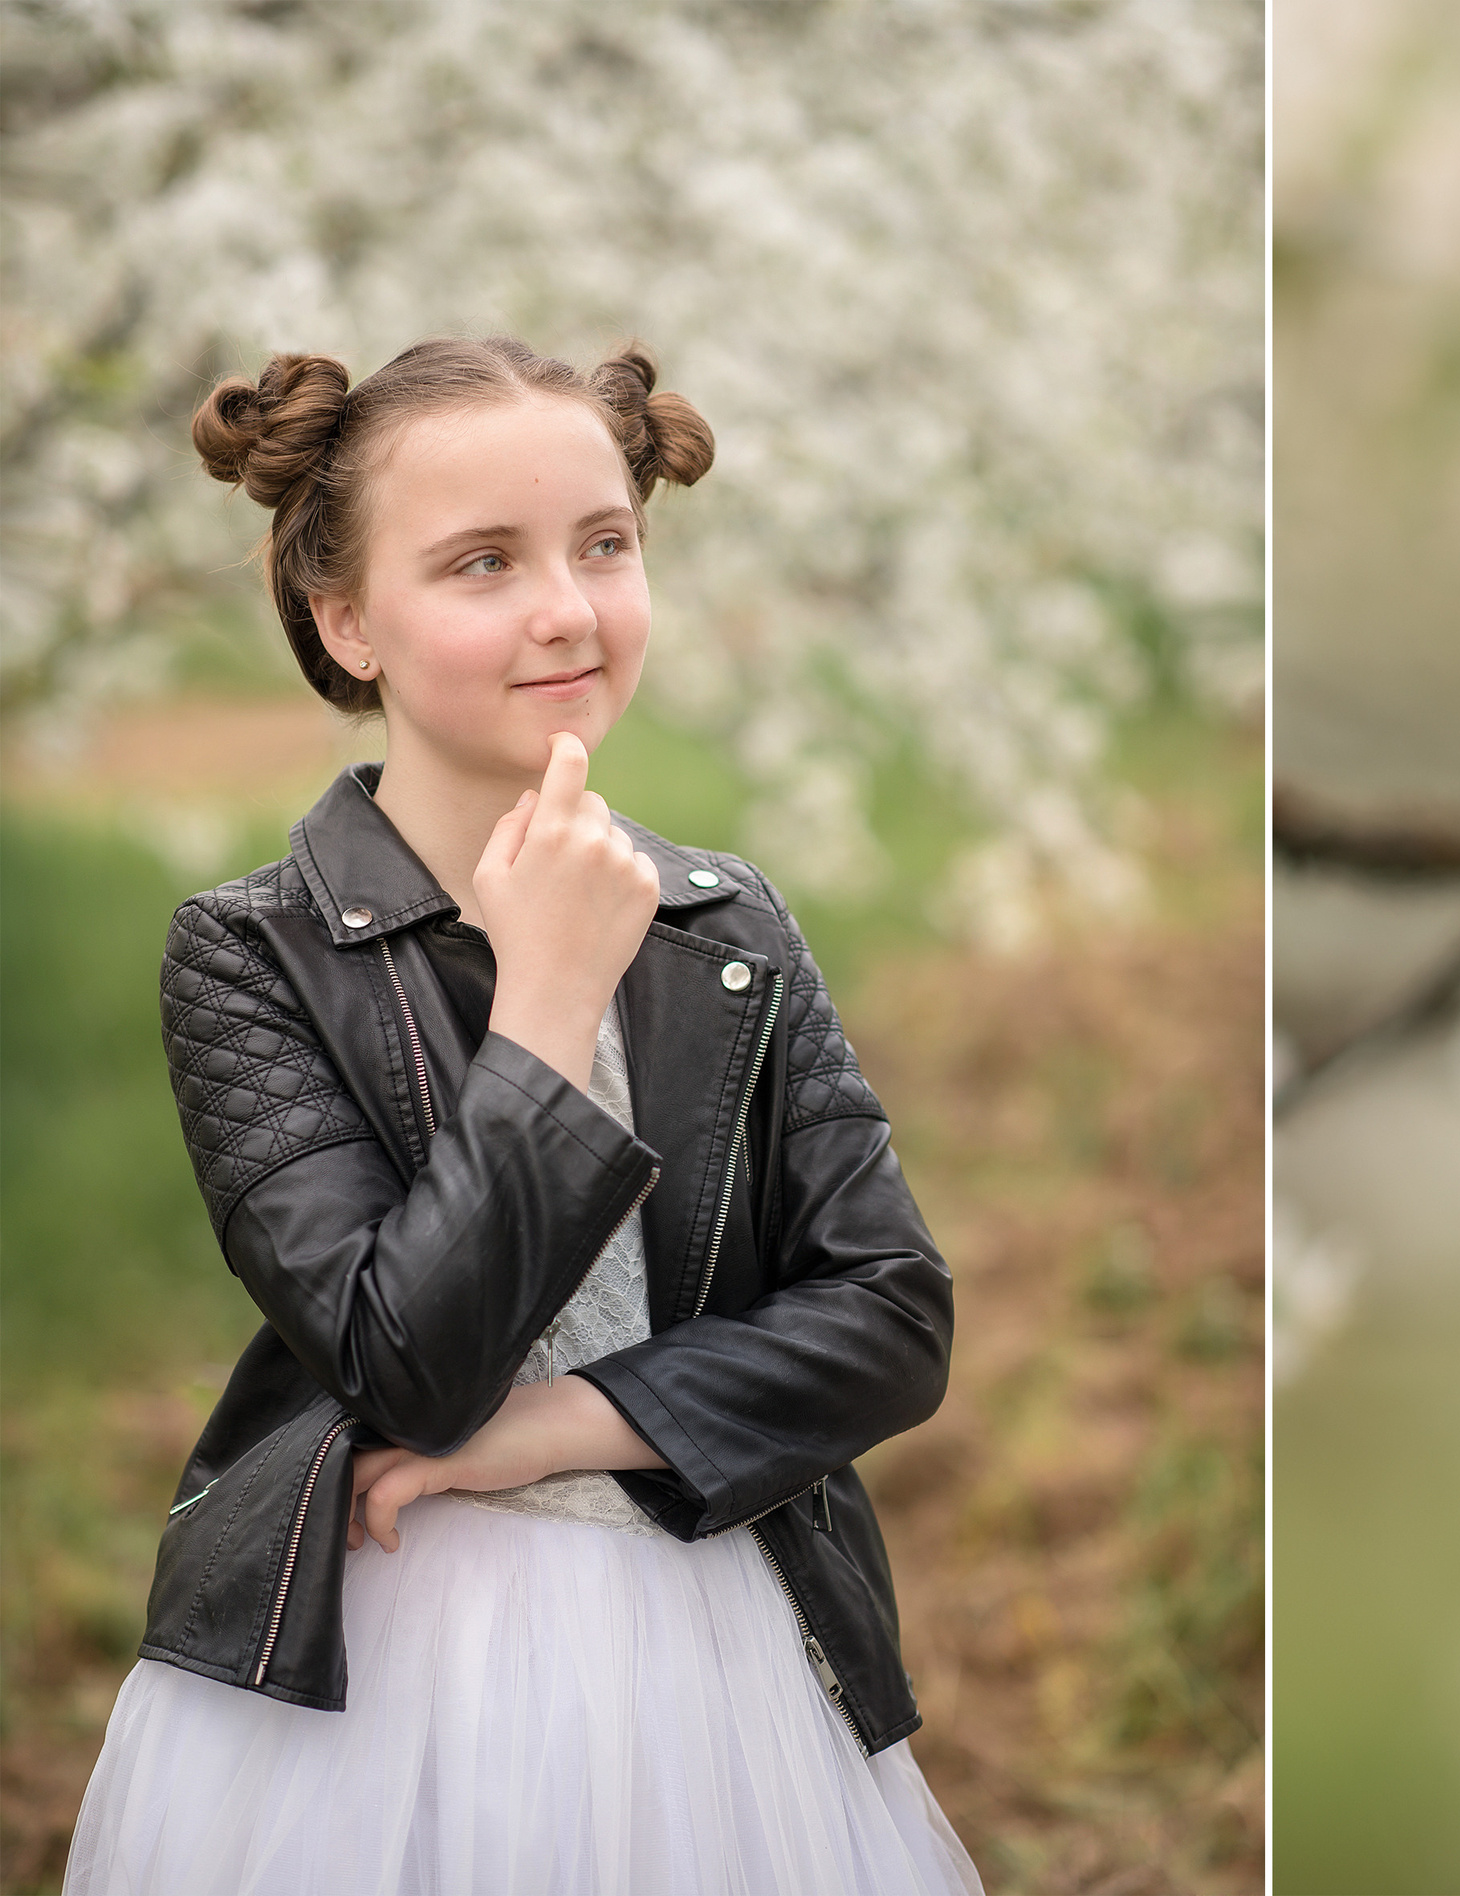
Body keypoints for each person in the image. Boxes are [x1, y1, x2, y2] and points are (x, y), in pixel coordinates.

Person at [63, 336, 984, 1895]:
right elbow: (405, 1362)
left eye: (604, 544)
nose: (567, 608)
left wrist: (561, 1430)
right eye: (483, 562)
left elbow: (892, 1316)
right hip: (364, 1657)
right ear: (347, 620)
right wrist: (547, 1005)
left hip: (715, 1645)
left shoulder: (728, 927)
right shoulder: (253, 953)